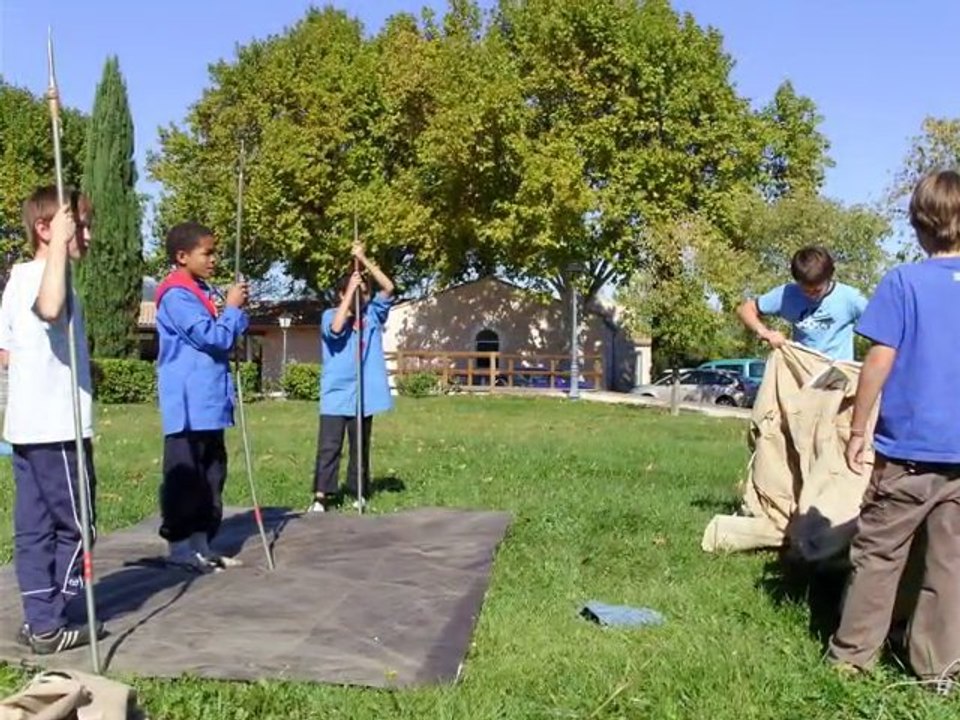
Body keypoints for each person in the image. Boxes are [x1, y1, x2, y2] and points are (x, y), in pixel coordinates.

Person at [829, 170, 960, 690]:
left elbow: (880, 359)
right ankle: (940, 671)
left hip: (906, 453)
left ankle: (851, 660)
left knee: (879, 557)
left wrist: (859, 427)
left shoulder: (903, 282)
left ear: (917, 225)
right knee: (950, 566)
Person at [0, 186, 103, 654]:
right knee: (80, 527)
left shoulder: (16, 278)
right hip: (58, 430)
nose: (87, 233)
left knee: (35, 529)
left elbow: (6, 354)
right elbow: (51, 309)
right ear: (47, 228)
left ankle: (40, 621)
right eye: (78, 224)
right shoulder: (44, 278)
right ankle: (56, 612)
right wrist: (60, 248)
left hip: (28, 429)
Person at [155, 222, 248, 570]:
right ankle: (179, 546)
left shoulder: (204, 291)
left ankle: (201, 542)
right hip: (188, 403)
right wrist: (233, 310)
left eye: (215, 252)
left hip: (211, 403)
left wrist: (237, 308)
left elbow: (233, 331)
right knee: (185, 477)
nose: (214, 259)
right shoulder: (176, 295)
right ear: (182, 256)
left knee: (212, 476)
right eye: (206, 253)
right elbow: (213, 337)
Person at [309, 243, 394, 512]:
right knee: (329, 447)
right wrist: (350, 296)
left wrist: (363, 260)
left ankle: (359, 490)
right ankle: (321, 496)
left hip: (363, 395)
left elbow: (389, 287)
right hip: (336, 394)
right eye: (356, 294)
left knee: (360, 447)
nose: (362, 299)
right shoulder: (329, 316)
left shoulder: (373, 314)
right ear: (341, 294)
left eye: (364, 294)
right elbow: (335, 328)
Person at [737, 246, 868, 361]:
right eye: (806, 290)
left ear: (829, 277)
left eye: (817, 290)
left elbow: (880, 327)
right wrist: (766, 333)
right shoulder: (787, 294)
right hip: (803, 371)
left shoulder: (850, 298)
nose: (811, 295)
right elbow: (746, 309)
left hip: (836, 376)